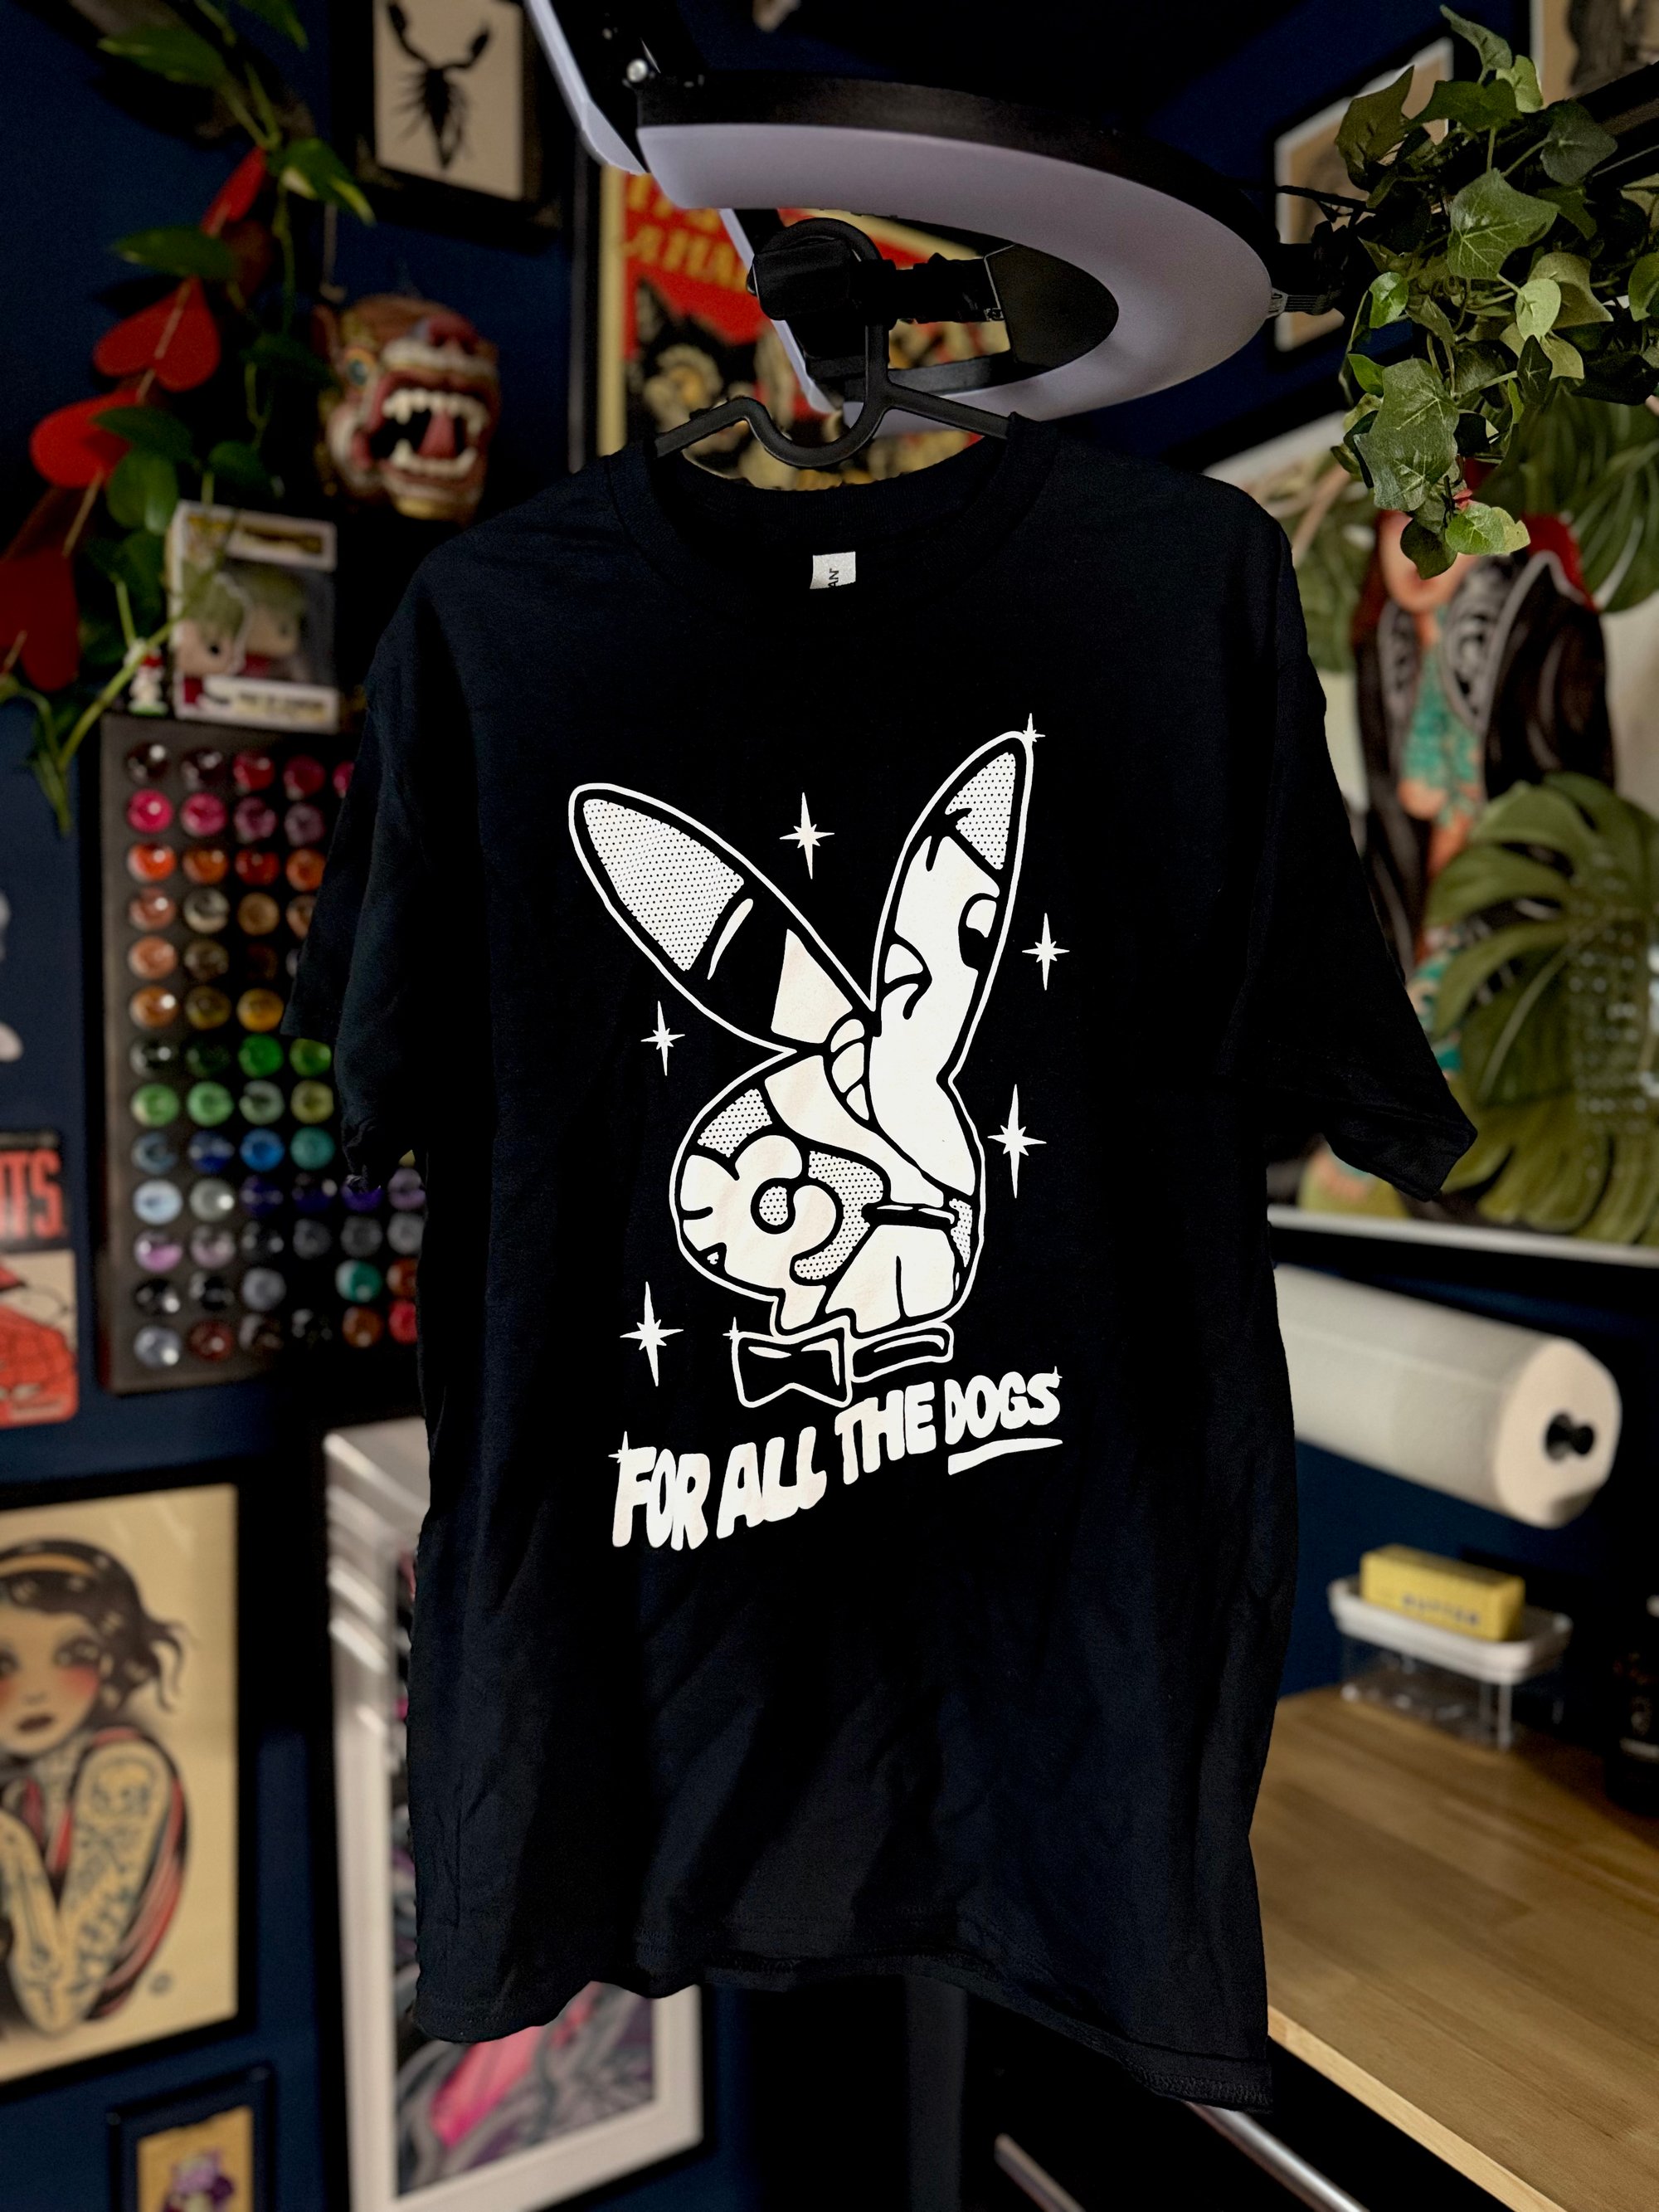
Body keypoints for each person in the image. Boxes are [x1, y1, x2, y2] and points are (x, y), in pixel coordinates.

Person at [0, 1541, 186, 2037]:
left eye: (71, 1654)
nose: (37, 1691)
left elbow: (58, 2004)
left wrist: (11, 1845)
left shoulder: (123, 1772)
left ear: (107, 1660)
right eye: (2, 1664)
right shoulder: (23, 1787)